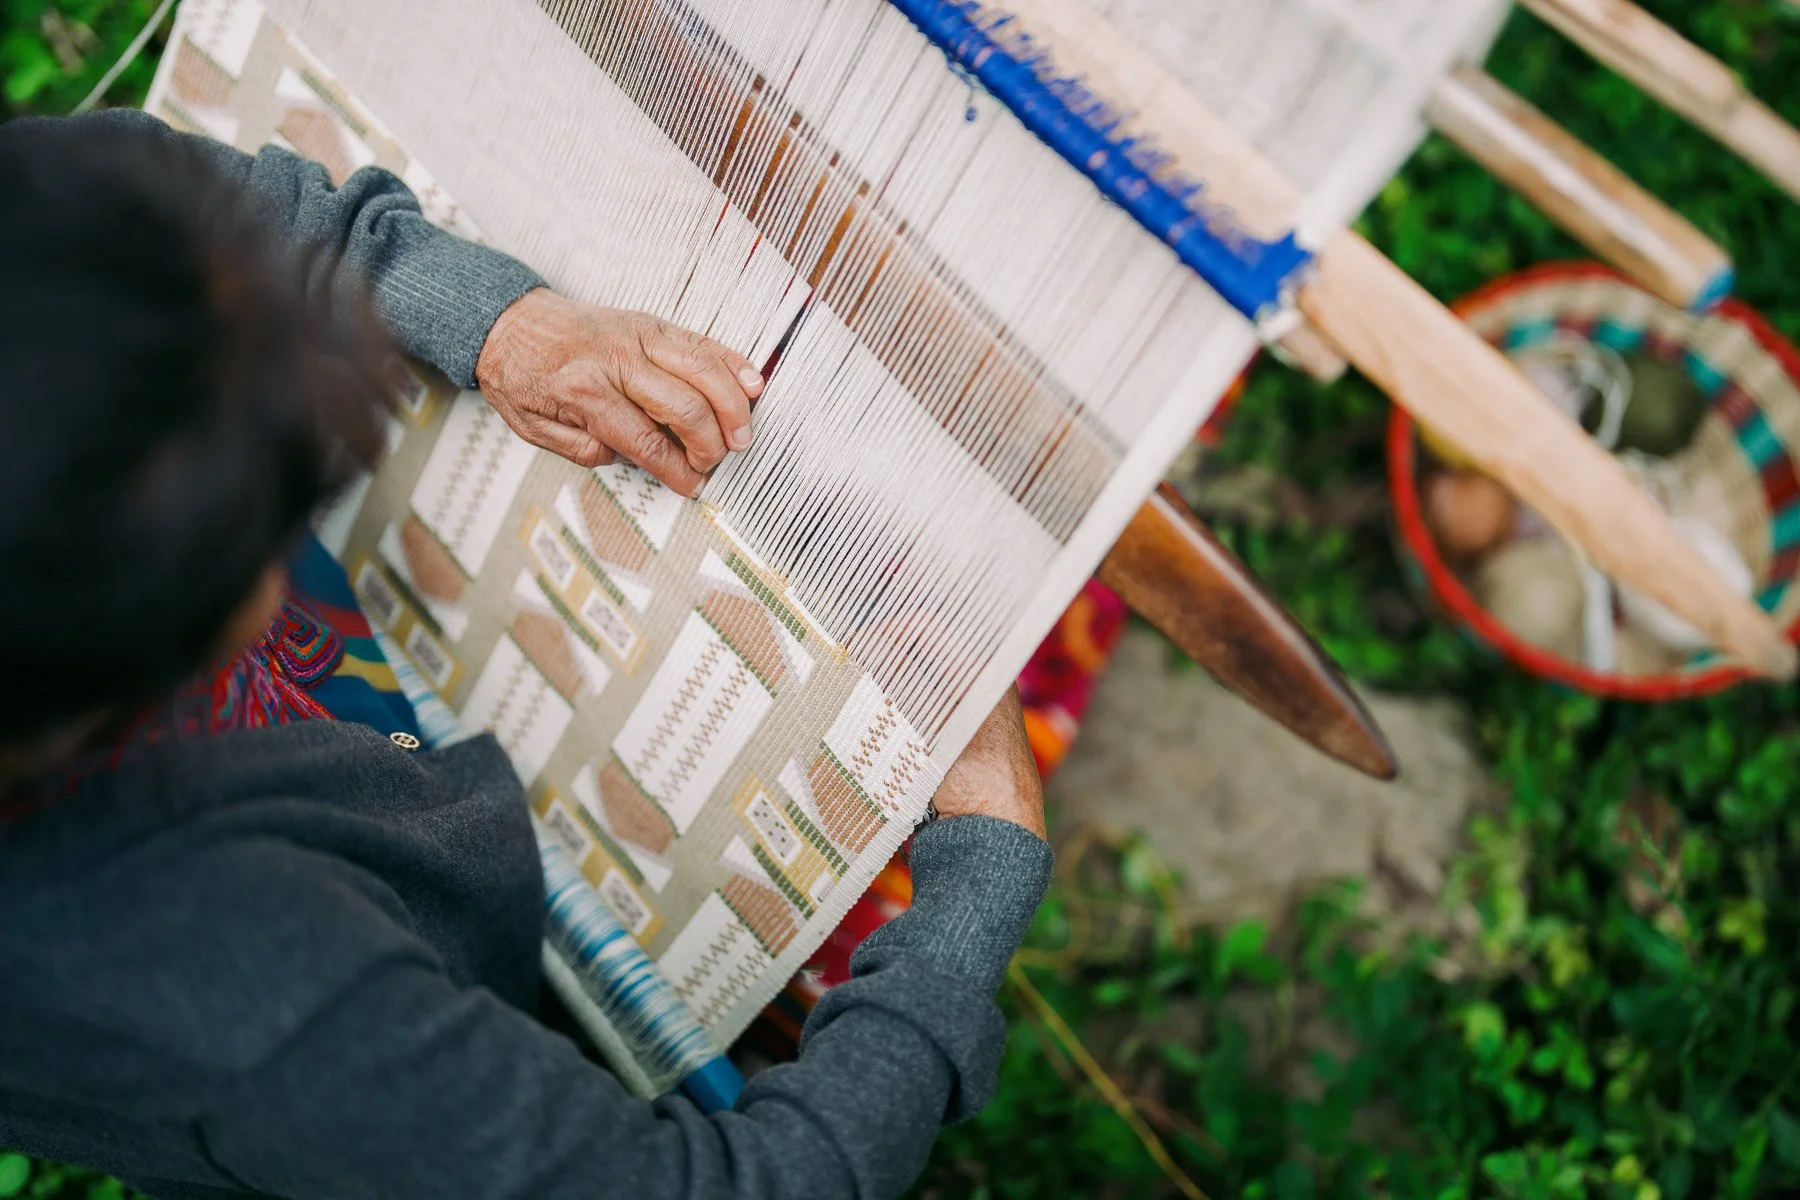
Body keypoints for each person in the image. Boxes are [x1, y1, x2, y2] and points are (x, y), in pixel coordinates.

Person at [0, 110, 1053, 1199]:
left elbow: (151, 206)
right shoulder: (255, 990)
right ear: (154, 642)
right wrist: (983, 869)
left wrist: (495, 320)